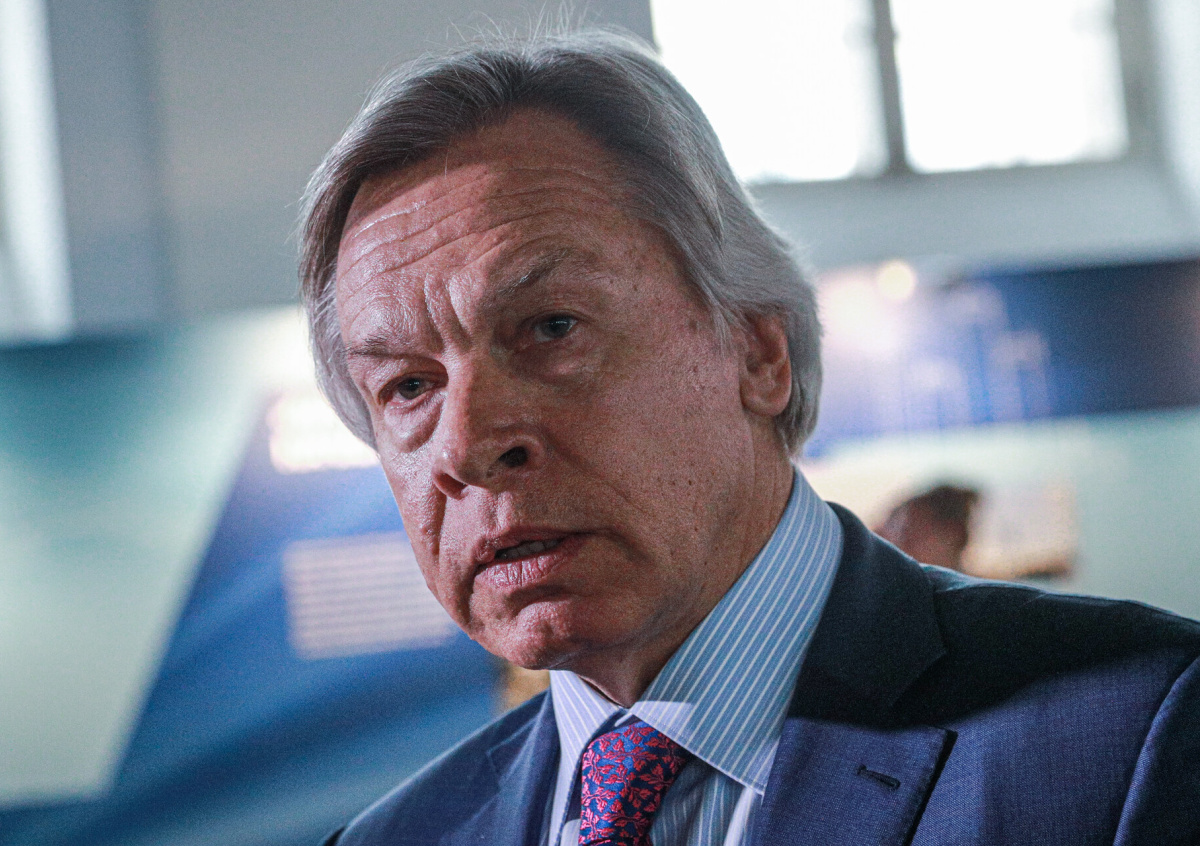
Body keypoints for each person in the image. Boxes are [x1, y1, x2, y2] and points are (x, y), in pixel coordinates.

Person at [298, 30, 1200, 846]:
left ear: (759, 351)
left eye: (551, 328)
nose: (466, 444)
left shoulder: (1138, 736)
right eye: (407, 386)